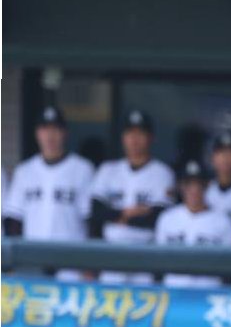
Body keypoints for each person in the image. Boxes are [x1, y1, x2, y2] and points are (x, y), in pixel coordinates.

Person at [4, 106, 95, 281]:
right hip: (32, 260)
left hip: (71, 262)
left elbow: (91, 221)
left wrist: (90, 265)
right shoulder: (24, 171)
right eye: (45, 129)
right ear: (37, 133)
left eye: (55, 129)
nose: (50, 135)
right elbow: (14, 219)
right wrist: (15, 262)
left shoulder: (83, 169)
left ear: (65, 133)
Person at [88, 110, 175, 284]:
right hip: (111, 254)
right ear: (123, 137)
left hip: (146, 255)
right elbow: (96, 212)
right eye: (130, 133)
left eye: (140, 133)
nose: (134, 139)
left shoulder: (162, 173)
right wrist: (129, 213)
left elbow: (157, 218)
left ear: (151, 138)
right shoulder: (108, 170)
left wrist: (116, 215)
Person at [154, 160, 231, 288]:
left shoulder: (224, 222)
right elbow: (158, 263)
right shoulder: (167, 219)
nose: (194, 189)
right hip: (174, 290)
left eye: (199, 184)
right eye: (188, 184)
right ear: (180, 186)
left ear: (207, 185)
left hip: (208, 292)